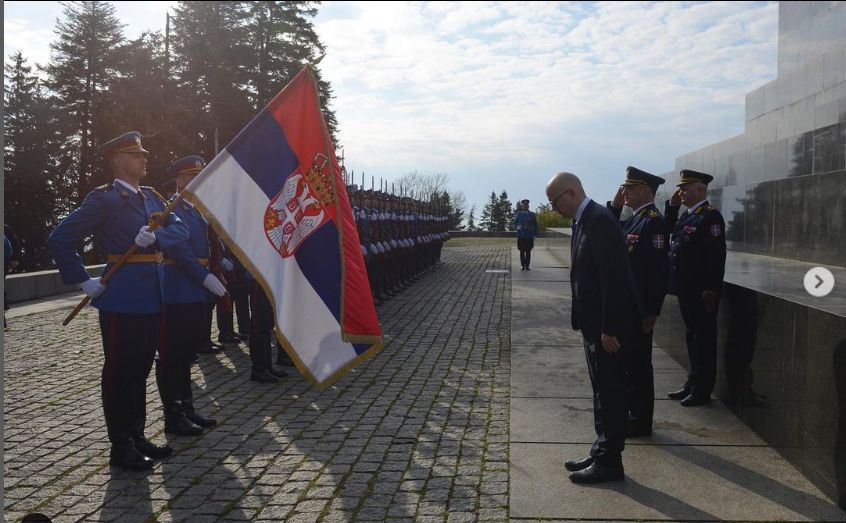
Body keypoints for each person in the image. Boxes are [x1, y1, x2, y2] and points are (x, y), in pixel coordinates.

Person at [48, 131, 189, 471]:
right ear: (120, 161)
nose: (145, 159)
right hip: (122, 298)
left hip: (153, 295)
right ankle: (120, 445)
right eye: (137, 154)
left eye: (143, 153)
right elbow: (60, 238)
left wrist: (156, 235)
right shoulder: (104, 199)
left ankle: (137, 435)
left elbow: (182, 230)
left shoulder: (154, 197)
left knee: (139, 369)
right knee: (119, 371)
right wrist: (83, 280)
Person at [546, 172, 641, 484]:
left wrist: (609, 328)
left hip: (607, 330)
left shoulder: (599, 220)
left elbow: (613, 279)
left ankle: (611, 461)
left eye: (554, 200)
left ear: (571, 192)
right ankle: (600, 449)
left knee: (611, 393)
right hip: (592, 326)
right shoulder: (583, 219)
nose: (553, 207)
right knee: (600, 391)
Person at [156, 155, 228, 436]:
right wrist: (205, 277)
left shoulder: (194, 210)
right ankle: (173, 416)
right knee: (172, 354)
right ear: (181, 181)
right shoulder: (170, 209)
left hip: (194, 288)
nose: (200, 182)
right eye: (193, 177)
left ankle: (186, 407)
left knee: (186, 353)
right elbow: (179, 251)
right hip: (178, 288)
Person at [607, 166, 670, 437]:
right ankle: (634, 413)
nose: (625, 192)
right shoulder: (635, 218)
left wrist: (652, 311)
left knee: (639, 365)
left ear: (646, 190)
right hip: (628, 306)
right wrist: (614, 205)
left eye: (630, 188)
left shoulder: (653, 221)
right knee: (631, 364)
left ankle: (641, 420)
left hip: (640, 309)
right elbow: (609, 233)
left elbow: (659, 272)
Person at [664, 169, 726, 407]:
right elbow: (668, 230)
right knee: (692, 337)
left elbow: (716, 255)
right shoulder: (687, 215)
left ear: (700, 190)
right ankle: (692, 382)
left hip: (702, 291)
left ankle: (702, 390)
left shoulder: (710, 217)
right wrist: (672, 206)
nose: (681, 192)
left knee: (704, 340)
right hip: (686, 288)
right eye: (681, 188)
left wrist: (712, 288)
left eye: (685, 188)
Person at [515, 199, 538, 270]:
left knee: (528, 251)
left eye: (526, 205)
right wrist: (519, 228)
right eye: (524, 205)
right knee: (522, 251)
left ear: (528, 206)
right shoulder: (519, 214)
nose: (525, 206)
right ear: (522, 206)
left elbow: (535, 224)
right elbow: (516, 223)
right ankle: (522, 265)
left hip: (529, 235)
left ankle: (527, 265)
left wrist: (535, 234)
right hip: (521, 235)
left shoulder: (532, 214)